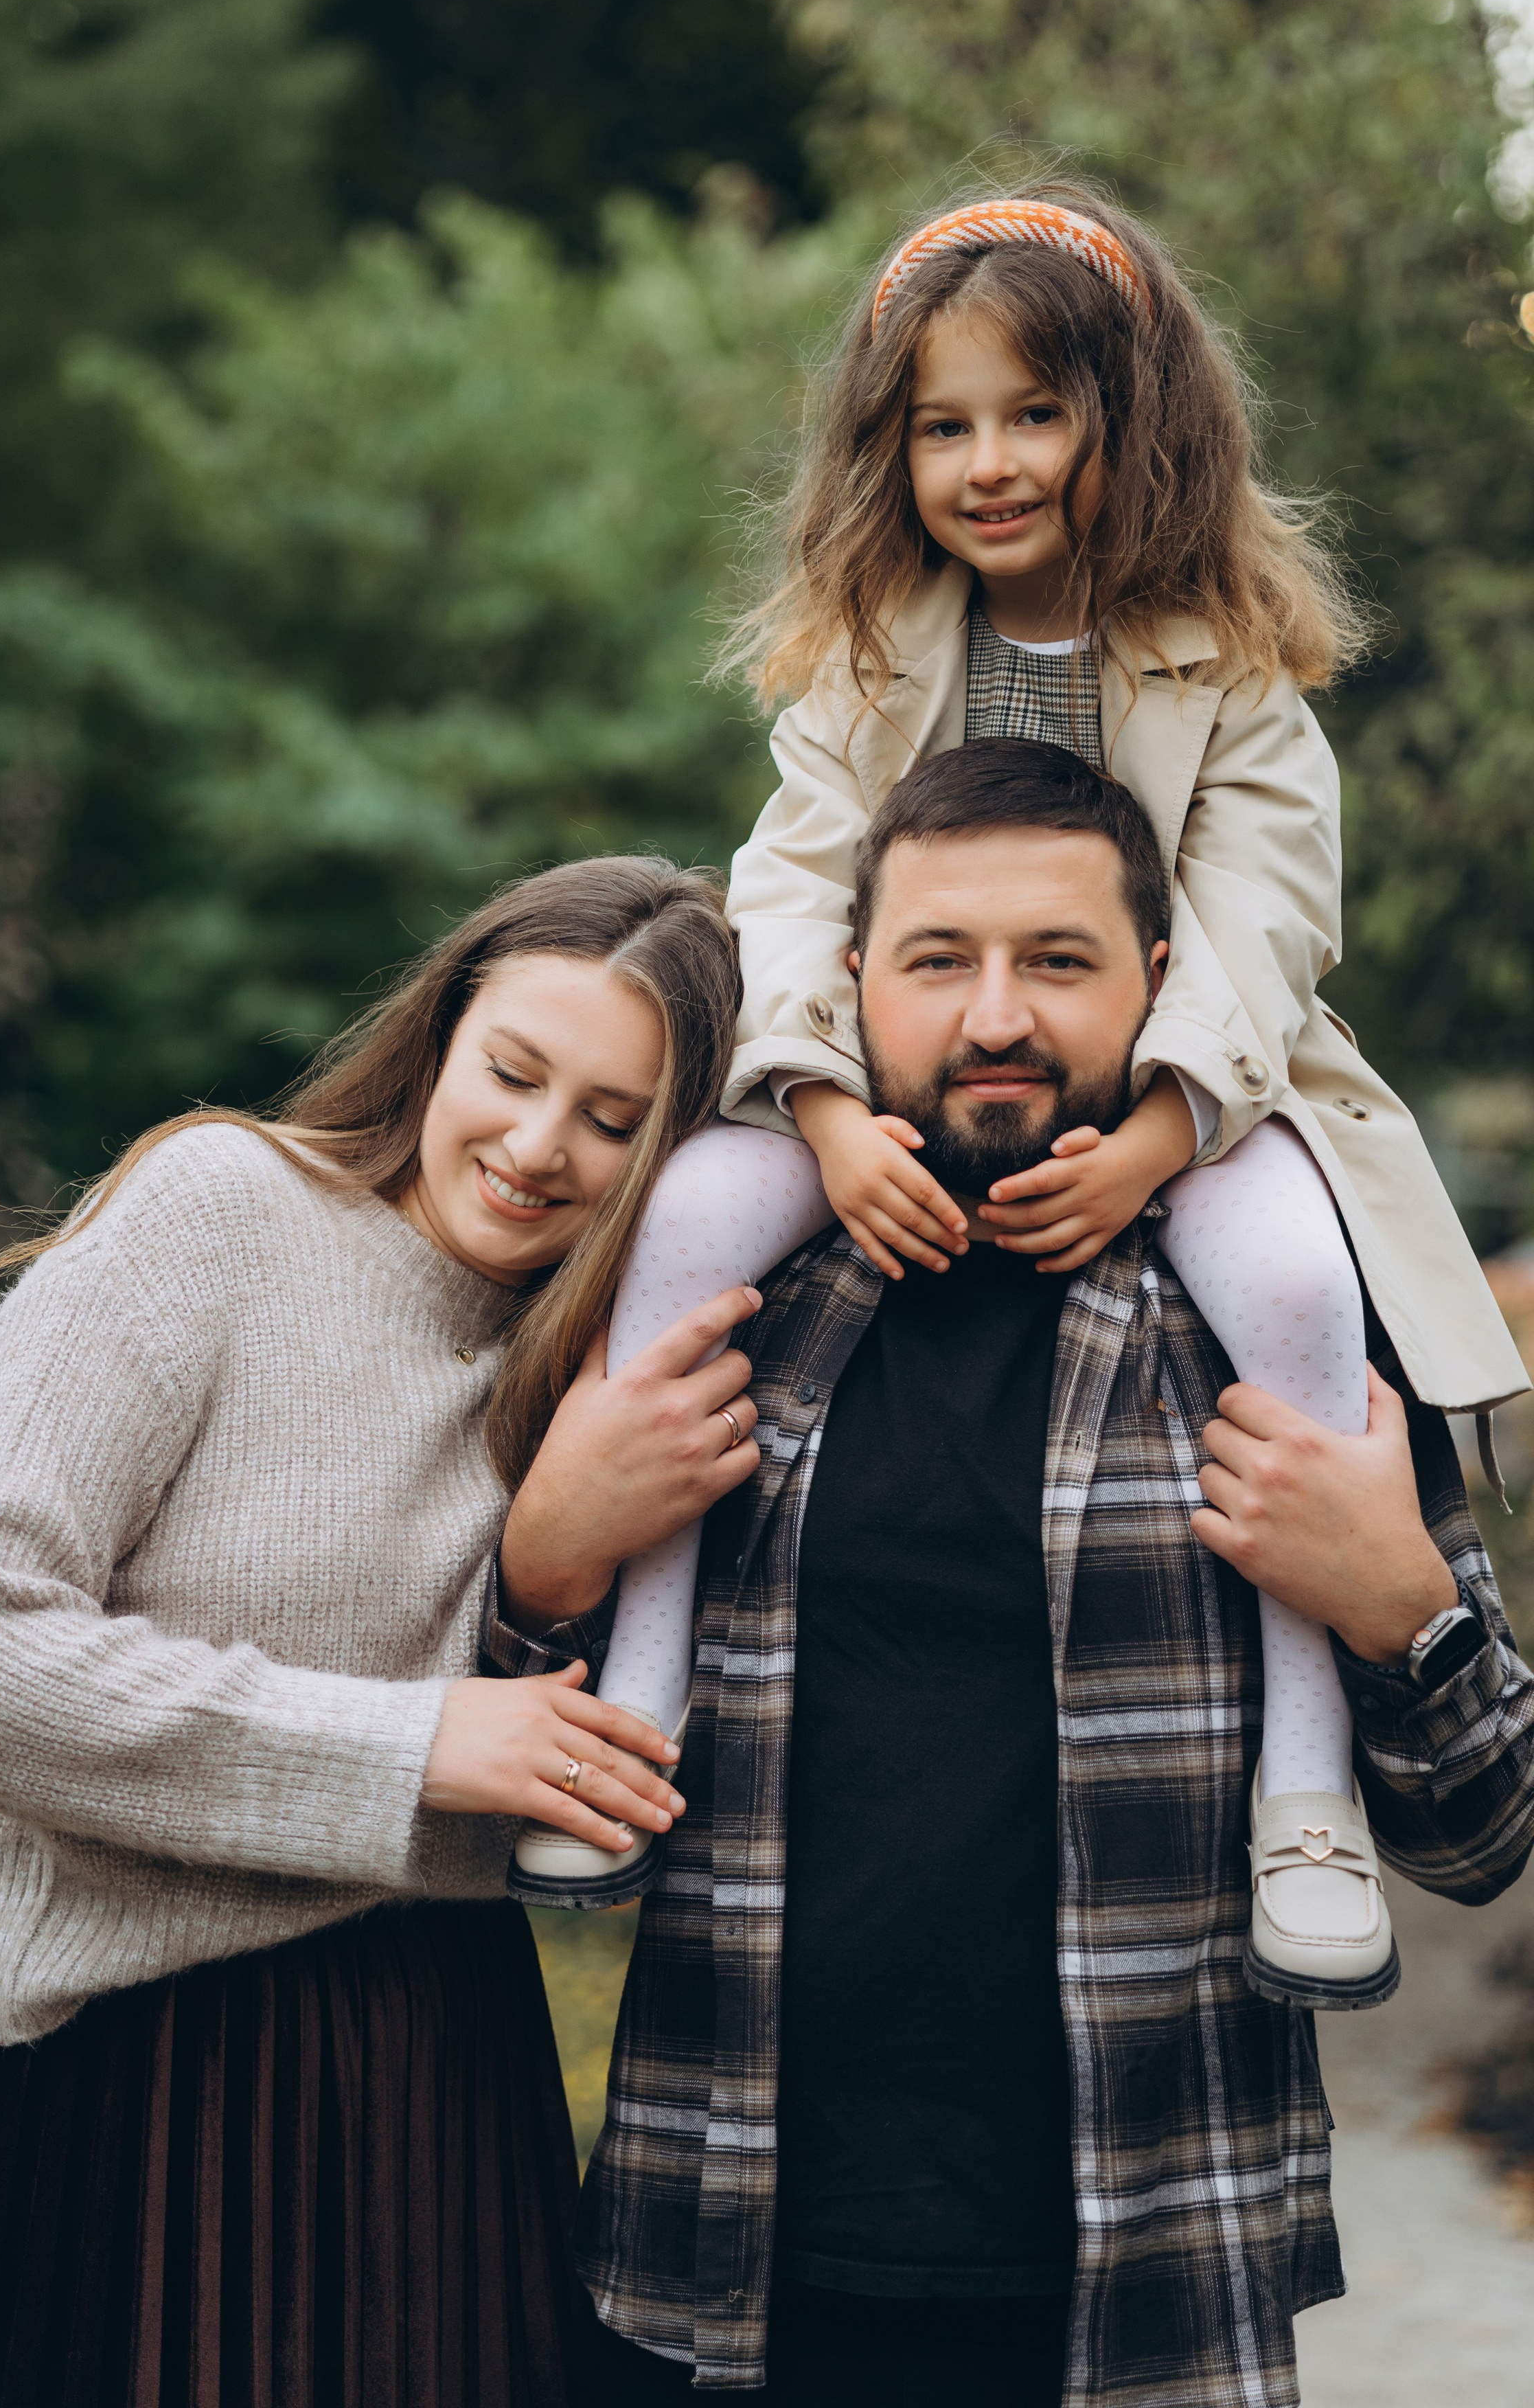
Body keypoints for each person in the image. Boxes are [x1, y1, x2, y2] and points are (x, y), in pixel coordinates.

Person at [511, 185, 1526, 2008]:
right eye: (942, 424)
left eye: (1034, 415)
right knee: (678, 1232)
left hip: (1198, 1089)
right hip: (864, 1082)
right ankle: (633, 1690)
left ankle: (1303, 1790)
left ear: (1129, 426)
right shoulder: (867, 655)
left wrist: (1154, 1140)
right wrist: (823, 1116)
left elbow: (1261, 924)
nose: (989, 463)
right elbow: (795, 887)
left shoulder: (1232, 664)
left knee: (1297, 1293)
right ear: (887, 449)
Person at [493, 742, 1534, 2405]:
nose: (993, 1018)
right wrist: (543, 1565)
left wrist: (1392, 1600)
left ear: (1161, 984)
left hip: (1149, 2298)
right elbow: (475, 1795)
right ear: (847, 983)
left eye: (1056, 962)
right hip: (717, 2274)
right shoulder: (724, 1314)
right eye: (936, 961)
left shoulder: (1277, 1329)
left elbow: (1484, 1836)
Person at [0, 855, 770, 2408]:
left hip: (441, 2064)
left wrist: (546, 1585)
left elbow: (592, 1794)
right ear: (440, 1035)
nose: (538, 1148)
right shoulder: (222, 1212)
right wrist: (410, 1743)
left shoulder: (617, 1381)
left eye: (614, 1123)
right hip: (124, 2078)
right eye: (513, 1073)